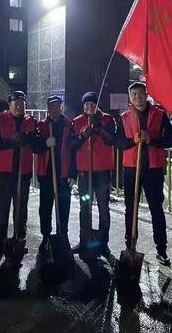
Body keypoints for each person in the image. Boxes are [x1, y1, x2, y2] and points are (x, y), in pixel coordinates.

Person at [117, 82, 172, 266]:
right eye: (133, 95)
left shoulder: (160, 115)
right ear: (129, 97)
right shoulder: (124, 117)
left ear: (146, 94)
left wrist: (151, 140)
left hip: (153, 169)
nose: (137, 98)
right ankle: (130, 245)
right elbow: (118, 143)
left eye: (140, 94)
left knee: (156, 209)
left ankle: (161, 249)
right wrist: (133, 141)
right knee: (130, 209)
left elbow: (170, 139)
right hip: (131, 169)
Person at [0, 91, 41, 256]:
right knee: (2, 209)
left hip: (23, 172)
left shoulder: (31, 122)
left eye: (22, 103)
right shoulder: (0, 120)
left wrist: (34, 139)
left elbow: (35, 145)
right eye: (16, 103)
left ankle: (19, 239)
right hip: (5, 173)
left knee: (21, 210)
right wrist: (12, 140)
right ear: (10, 105)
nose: (19, 106)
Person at [71, 91, 116, 258]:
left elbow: (112, 140)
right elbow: (72, 144)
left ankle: (103, 243)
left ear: (97, 104)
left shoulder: (107, 119)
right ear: (83, 105)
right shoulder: (76, 122)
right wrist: (84, 135)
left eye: (92, 103)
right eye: (86, 103)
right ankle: (84, 240)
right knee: (85, 207)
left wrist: (100, 128)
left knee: (103, 208)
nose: (89, 106)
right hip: (85, 173)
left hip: (102, 173)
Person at [35, 95, 76, 254]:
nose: (54, 109)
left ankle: (62, 234)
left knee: (64, 205)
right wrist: (45, 143)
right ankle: (45, 235)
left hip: (63, 173)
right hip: (46, 173)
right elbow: (35, 147)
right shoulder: (42, 126)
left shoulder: (68, 124)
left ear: (61, 107)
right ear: (47, 109)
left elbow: (74, 149)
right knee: (45, 207)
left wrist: (73, 173)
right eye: (51, 106)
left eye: (57, 106)